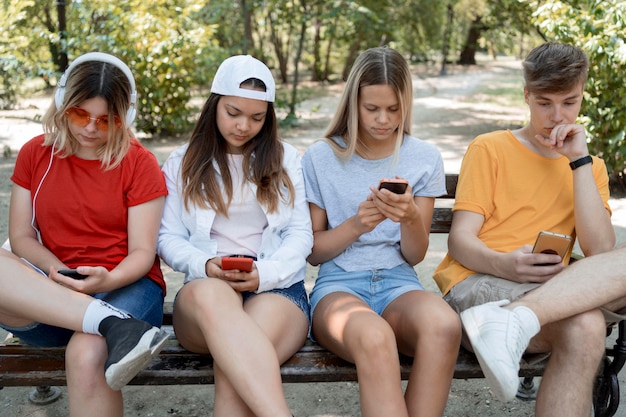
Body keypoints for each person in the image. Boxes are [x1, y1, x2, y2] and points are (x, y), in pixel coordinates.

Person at [433, 42, 618, 416]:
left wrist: (578, 161)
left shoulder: (590, 167)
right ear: (526, 96)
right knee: (587, 324)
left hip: (548, 294)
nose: (557, 115)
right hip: (476, 285)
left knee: (585, 325)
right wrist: (505, 265)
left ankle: (516, 319)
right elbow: (460, 240)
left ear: (582, 95)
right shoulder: (490, 149)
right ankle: (508, 317)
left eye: (569, 101)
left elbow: (601, 252)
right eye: (544, 103)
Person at [1, 52, 169, 416]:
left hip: (126, 286)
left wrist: (107, 278)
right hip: (53, 292)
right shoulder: (35, 154)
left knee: (86, 352)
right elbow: (21, 237)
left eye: (107, 120)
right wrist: (57, 271)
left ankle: (115, 325)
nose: (91, 128)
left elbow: (142, 252)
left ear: (126, 118)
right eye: (80, 114)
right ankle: (107, 324)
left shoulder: (140, 163)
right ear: (63, 103)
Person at [301, 46, 461, 417]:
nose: (383, 120)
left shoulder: (423, 156)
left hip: (398, 283)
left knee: (445, 326)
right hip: (338, 287)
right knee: (375, 336)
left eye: (394, 109)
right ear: (352, 103)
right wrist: (359, 224)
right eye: (372, 109)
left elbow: (415, 255)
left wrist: (408, 219)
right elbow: (314, 251)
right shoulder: (320, 157)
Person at [158, 55, 312, 417]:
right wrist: (206, 265)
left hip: (276, 289)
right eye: (233, 113)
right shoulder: (182, 162)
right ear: (214, 105)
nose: (244, 126)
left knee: (236, 364)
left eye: (257, 118)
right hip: (205, 294)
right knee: (219, 307)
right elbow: (167, 238)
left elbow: (300, 234)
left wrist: (267, 274)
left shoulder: (286, 158)